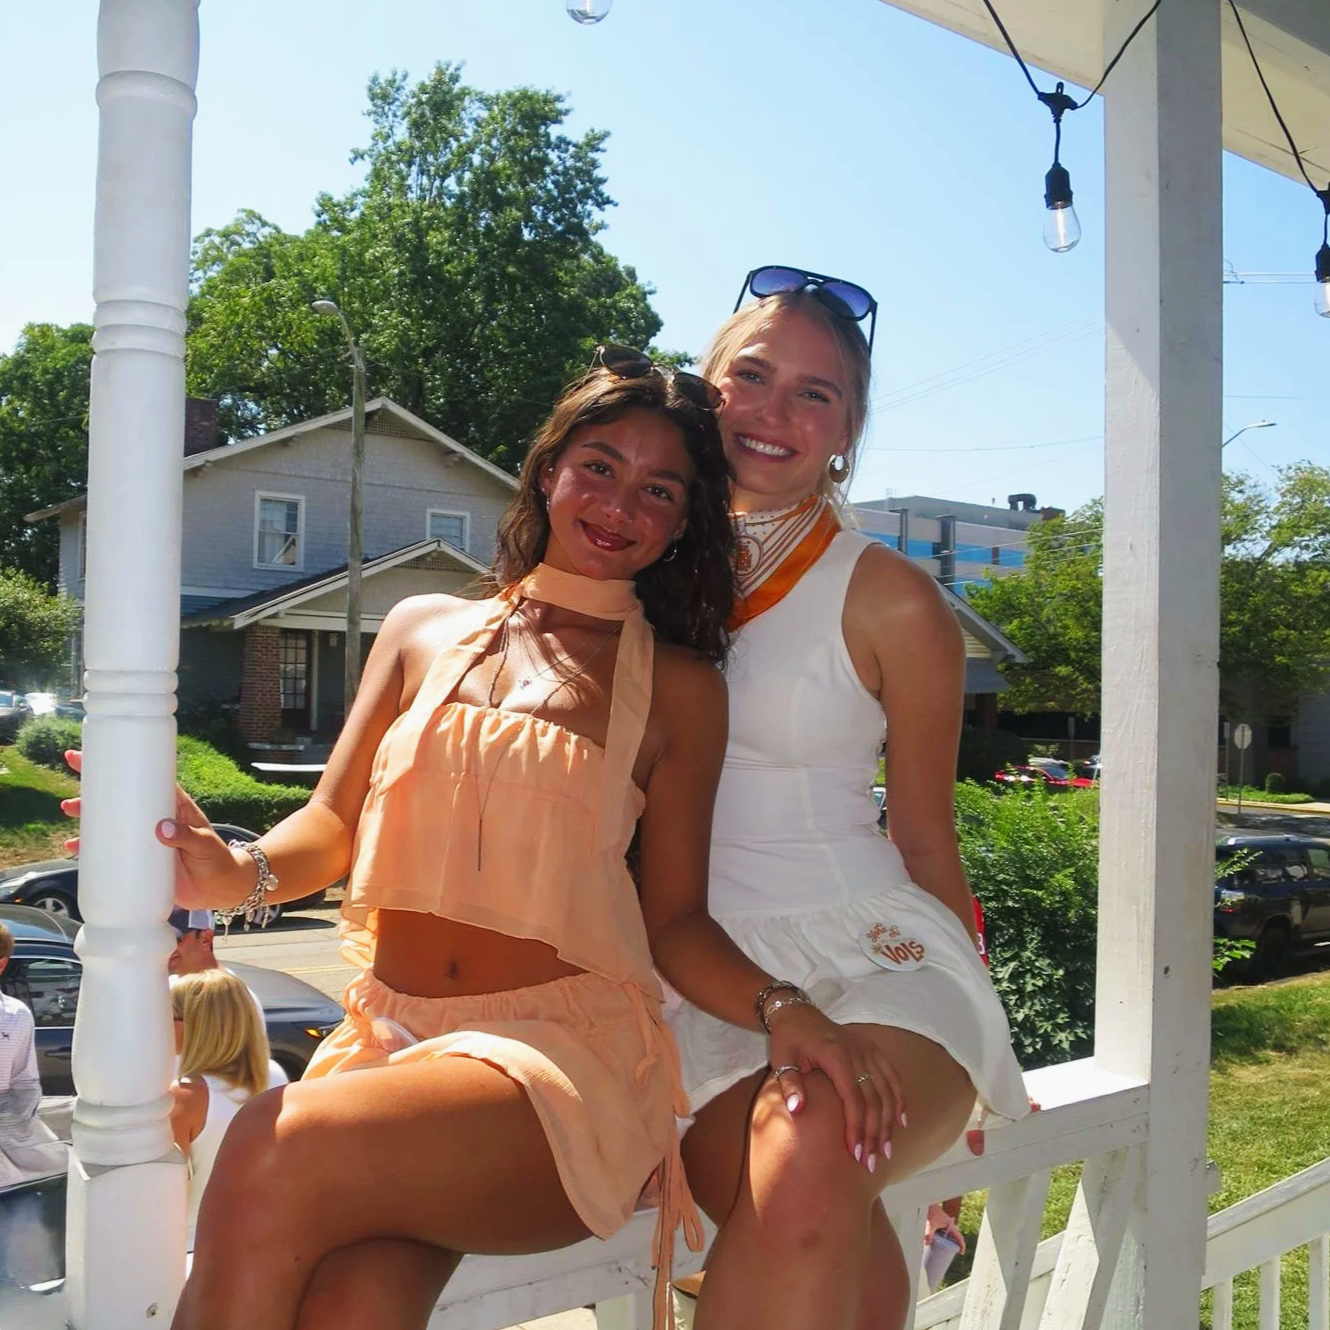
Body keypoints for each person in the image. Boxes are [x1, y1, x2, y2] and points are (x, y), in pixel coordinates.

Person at [80, 353, 747, 1330]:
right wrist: (236, 867)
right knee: (349, 1310)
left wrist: (790, 1010)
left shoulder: (683, 689)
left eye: (659, 489)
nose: (619, 503)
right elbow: (334, 821)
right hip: (392, 1054)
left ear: (682, 521)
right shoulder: (421, 625)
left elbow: (678, 918)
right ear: (548, 467)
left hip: (558, 1069)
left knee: (272, 1136)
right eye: (599, 465)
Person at [665, 268, 1031, 1330]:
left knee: (809, 1133)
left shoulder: (892, 596)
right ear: (706, 389)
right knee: (846, 1269)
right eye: (754, 375)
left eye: (815, 393)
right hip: (693, 967)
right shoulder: (636, 561)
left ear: (847, 429)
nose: (776, 411)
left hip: (873, 956)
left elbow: (924, 833)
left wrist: (974, 1036)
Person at [168, 968, 272, 1252]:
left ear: (198, 1026)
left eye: (171, 1016)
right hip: (255, 1243)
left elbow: (164, 1199)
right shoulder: (274, 1077)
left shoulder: (186, 1096)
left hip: (192, 1250)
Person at [166, 907, 287, 1089]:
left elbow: (242, 1076)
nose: (165, 948)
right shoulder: (169, 984)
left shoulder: (231, 998)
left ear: (206, 939)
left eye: (175, 939)